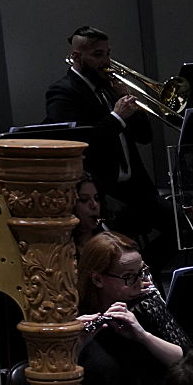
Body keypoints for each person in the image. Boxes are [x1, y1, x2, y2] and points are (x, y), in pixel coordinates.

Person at [76, 231, 189, 385]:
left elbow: (187, 362)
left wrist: (143, 336)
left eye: (141, 272)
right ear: (97, 279)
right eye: (128, 277)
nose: (139, 283)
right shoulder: (77, 319)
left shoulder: (146, 305)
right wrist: (79, 342)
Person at [44, 27, 167, 243]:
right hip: (102, 191)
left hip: (135, 188)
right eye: (98, 55)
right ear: (76, 57)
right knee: (126, 243)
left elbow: (144, 137)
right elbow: (76, 144)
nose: (107, 61)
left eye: (108, 53)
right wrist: (117, 117)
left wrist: (130, 102)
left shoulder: (109, 87)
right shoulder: (63, 92)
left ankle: (150, 272)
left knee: (182, 227)